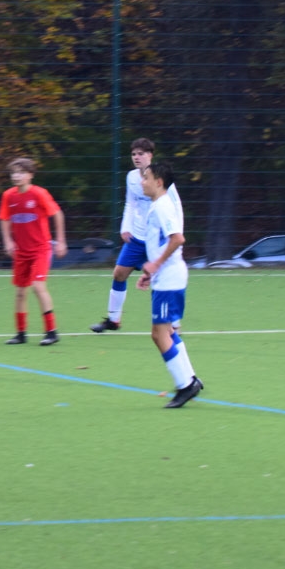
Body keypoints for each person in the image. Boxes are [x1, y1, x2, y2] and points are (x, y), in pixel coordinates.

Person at [91, 137, 183, 334]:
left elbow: (177, 209)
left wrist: (176, 238)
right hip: (137, 238)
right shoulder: (132, 177)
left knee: (162, 281)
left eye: (141, 154)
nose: (136, 157)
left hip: (157, 240)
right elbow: (130, 203)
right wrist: (126, 227)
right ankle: (113, 320)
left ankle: (174, 324)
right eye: (133, 154)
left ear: (150, 155)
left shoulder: (162, 181)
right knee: (119, 273)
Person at [136, 162, 203, 408]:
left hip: (170, 278)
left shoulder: (163, 206)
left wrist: (156, 264)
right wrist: (151, 272)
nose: (142, 182)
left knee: (159, 334)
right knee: (169, 332)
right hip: (167, 277)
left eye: (146, 178)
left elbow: (177, 238)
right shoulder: (158, 206)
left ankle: (185, 385)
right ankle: (191, 379)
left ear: (159, 182)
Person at [0, 158, 67, 346]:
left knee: (38, 286)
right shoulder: (8, 196)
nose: (16, 176)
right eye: (14, 172)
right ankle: (21, 334)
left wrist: (60, 241)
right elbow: (4, 219)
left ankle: (51, 332)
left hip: (40, 249)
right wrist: (8, 240)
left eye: (21, 172)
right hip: (21, 252)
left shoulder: (39, 194)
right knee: (20, 292)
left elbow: (57, 214)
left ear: (30, 175)